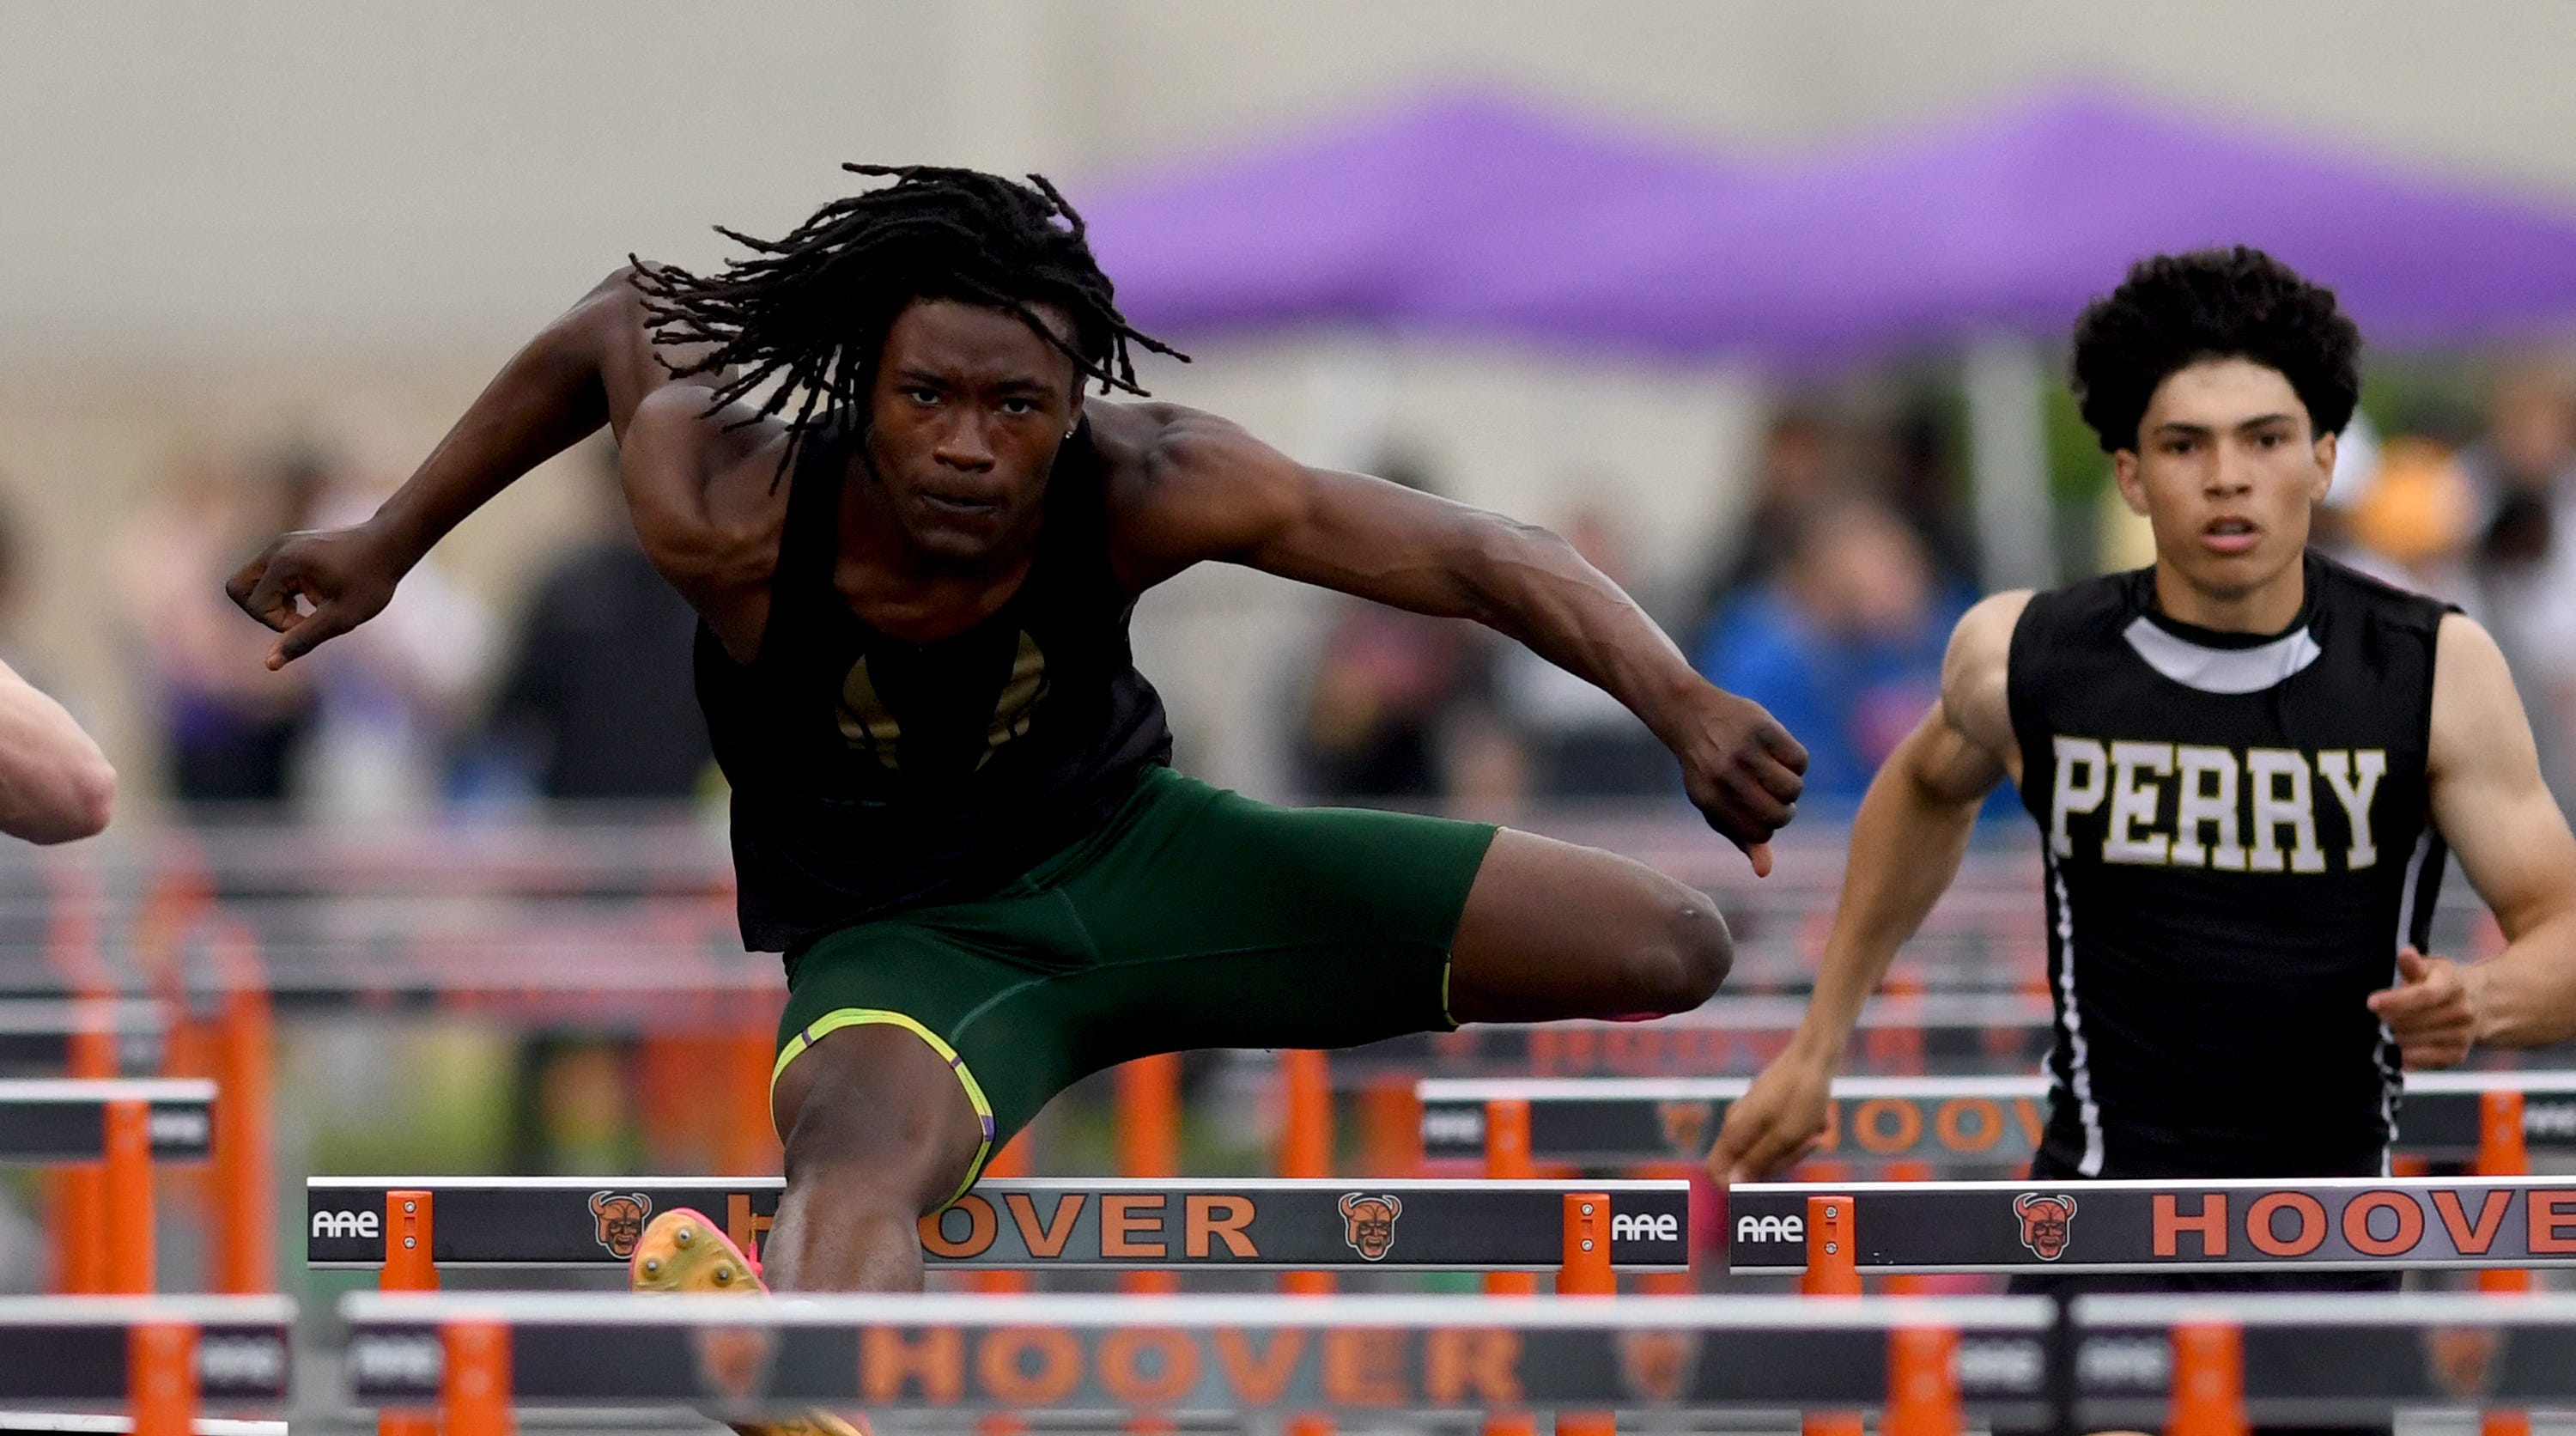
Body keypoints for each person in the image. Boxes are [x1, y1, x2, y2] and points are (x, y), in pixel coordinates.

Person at [229, 167, 1806, 1309]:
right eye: (930, 399)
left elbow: (1474, 547)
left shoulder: (1150, 479)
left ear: (1077, 402)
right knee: (854, 1164)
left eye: (1019, 409)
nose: (973, 448)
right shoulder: (723, 501)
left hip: (1156, 870)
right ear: (864, 383)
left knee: (1673, 945)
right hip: (907, 948)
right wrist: (390, 541)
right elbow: (615, 318)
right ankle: (802, 1391)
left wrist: (1680, 700)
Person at [1710, 249, 2576, 1366]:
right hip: (2097, 1220)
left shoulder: (2432, 670)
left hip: (2329, 1245)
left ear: (2320, 460)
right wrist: (1821, 1042)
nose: (2228, 478)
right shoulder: (2026, 656)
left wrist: (2485, 998)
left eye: (2264, 440)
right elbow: (1922, 788)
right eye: (2185, 445)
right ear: (2129, 474)